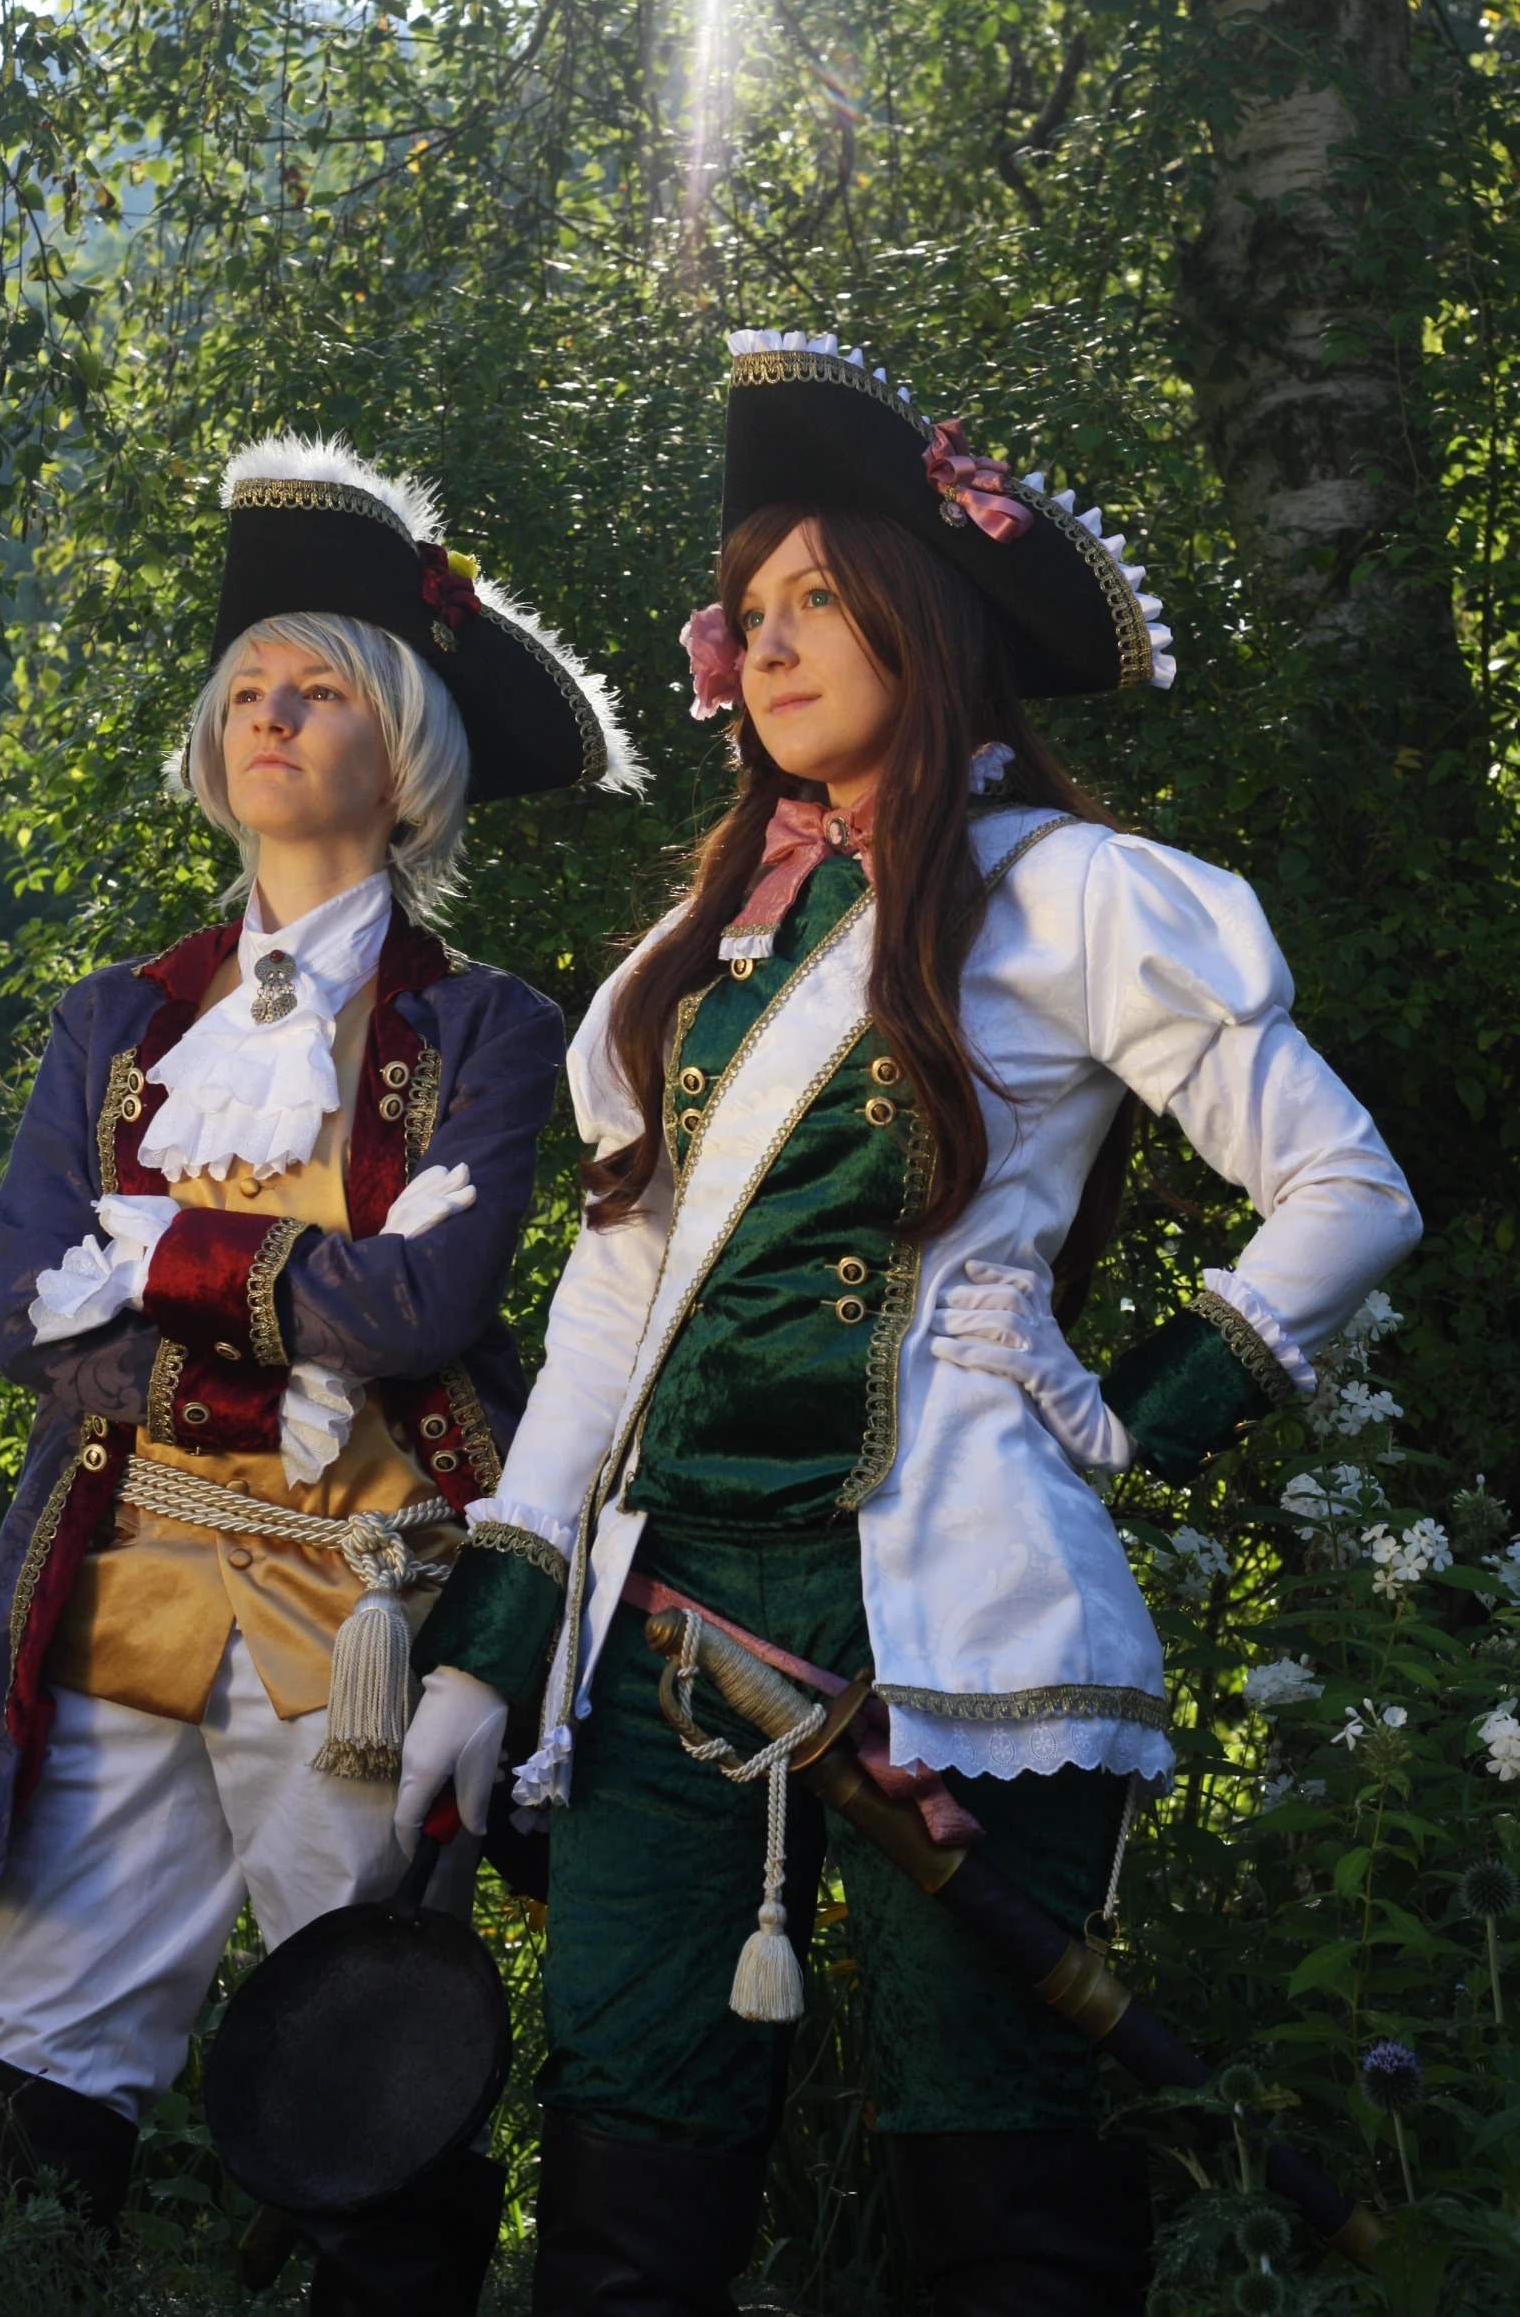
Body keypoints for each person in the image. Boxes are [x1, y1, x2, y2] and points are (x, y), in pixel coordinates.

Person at [400, 330, 1423, 2316]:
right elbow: (613, 1317)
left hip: (963, 1623)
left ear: (929, 622)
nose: (766, 644)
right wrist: (480, 1656)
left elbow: (1349, 1190)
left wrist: (1127, 1411)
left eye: (820, 601)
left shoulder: (1085, 898)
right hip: (665, 1632)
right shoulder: (690, 965)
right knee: (624, 2199)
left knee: (1012, 2211)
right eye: (751, 607)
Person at [0, 433, 640, 2309]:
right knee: (42, 2037)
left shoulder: (488, 1025)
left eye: (316, 684)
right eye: (246, 688)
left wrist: (159, 1249)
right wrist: (290, 1285)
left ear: (401, 743)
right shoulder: (116, 1015)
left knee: (362, 2050)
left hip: (364, 1621)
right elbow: (36, 1323)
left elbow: (422, 1310)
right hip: (116, 1584)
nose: (269, 714)